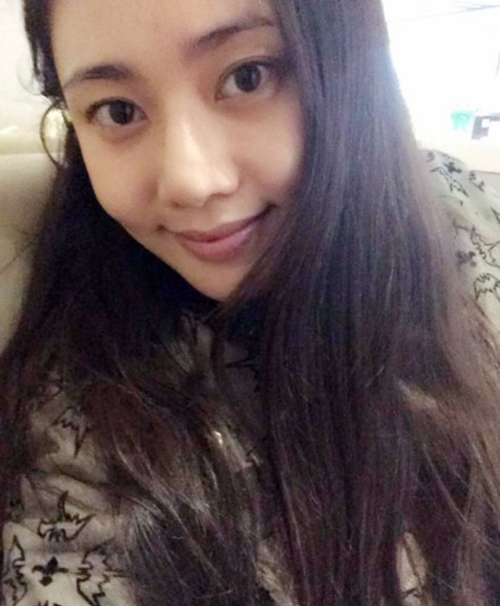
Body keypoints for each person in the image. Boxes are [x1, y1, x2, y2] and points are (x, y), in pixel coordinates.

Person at [2, 0, 500, 604]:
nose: (191, 180)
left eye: (247, 76)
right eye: (118, 111)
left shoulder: (466, 212)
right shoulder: (77, 437)